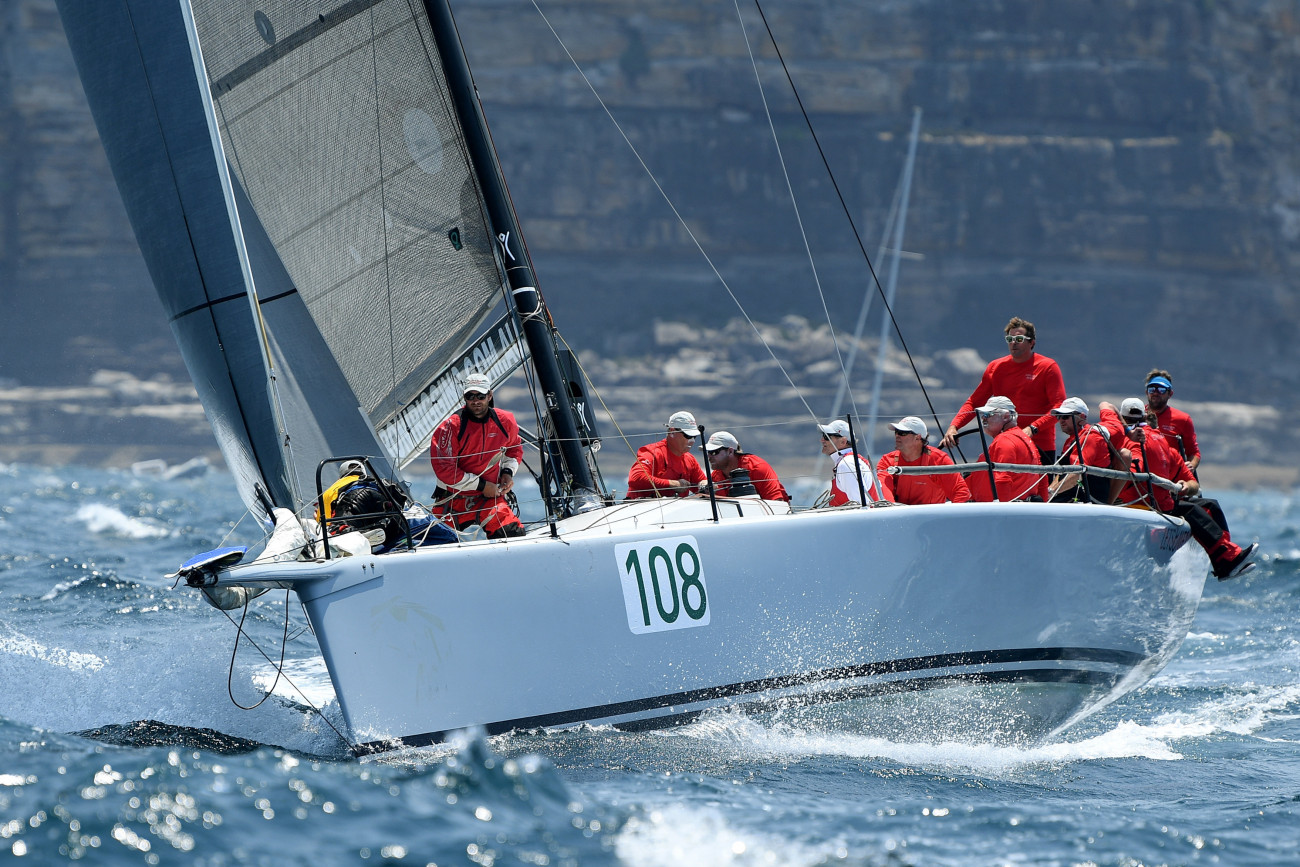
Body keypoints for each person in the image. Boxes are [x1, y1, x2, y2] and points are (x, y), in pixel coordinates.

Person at [1117, 399, 1256, 580]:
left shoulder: (1164, 446)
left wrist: (1184, 486)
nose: (1151, 431)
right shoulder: (1138, 442)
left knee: (1211, 505)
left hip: (1161, 499)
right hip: (1144, 503)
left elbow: (1193, 484)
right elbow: (1136, 465)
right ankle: (1226, 557)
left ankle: (1225, 559)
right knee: (1193, 510)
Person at [940, 316, 1067, 465]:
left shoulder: (1048, 367)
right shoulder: (996, 367)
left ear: (1031, 342)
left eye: (1019, 339)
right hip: (1005, 445)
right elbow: (974, 401)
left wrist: (1032, 429)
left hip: (1040, 445)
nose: (1013, 343)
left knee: (1039, 488)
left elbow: (1059, 406)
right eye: (1010, 339)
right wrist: (954, 427)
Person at [429, 372, 525, 538]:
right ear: (464, 398)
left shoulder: (505, 421)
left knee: (512, 534)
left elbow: (514, 449)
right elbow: (445, 471)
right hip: (453, 501)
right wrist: (483, 486)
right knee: (436, 542)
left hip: (489, 499)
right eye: (470, 396)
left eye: (480, 395)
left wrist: (507, 473)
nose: (475, 401)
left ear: (489, 395)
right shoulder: (450, 427)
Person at [963, 396, 1050, 503]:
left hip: (995, 511)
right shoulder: (1025, 439)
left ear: (1006, 416)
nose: (983, 419)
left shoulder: (1004, 440)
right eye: (982, 415)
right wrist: (1044, 507)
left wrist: (1002, 511)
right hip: (1012, 509)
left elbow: (1003, 479)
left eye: (988, 414)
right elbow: (1042, 476)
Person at [1047, 397, 1130, 504]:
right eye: (1059, 416)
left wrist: (1051, 493)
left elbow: (1077, 474)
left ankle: (1109, 504)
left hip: (1088, 498)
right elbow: (1108, 405)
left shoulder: (1089, 438)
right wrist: (1129, 431)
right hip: (1072, 493)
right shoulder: (1071, 440)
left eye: (1066, 416)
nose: (1061, 421)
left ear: (1082, 417)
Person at [875, 416, 971, 505]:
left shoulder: (939, 460)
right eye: (896, 432)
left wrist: (949, 520)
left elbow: (961, 492)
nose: (897, 436)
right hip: (900, 518)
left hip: (932, 520)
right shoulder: (886, 461)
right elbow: (883, 493)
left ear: (918, 437)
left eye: (902, 433)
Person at [626, 411, 707, 499]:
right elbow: (635, 478)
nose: (692, 441)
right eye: (688, 436)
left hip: (674, 510)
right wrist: (672, 484)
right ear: (672, 432)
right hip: (643, 508)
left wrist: (705, 484)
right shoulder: (652, 452)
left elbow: (702, 484)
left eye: (694, 437)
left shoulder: (690, 460)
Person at [703, 431, 790, 501]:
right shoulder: (715, 476)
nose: (709, 457)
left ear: (730, 451)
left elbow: (777, 502)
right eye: (708, 452)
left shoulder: (758, 468)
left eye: (714, 452)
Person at [1144, 370, 1200, 472]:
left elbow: (1193, 452)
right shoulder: (1136, 414)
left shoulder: (1183, 419)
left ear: (1170, 394)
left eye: (1161, 390)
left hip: (1168, 476)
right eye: (1152, 389)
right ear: (1146, 392)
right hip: (1140, 473)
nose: (1156, 393)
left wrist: (1191, 465)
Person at [818, 419, 880, 505]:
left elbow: (861, 506)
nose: (822, 440)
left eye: (826, 437)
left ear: (843, 442)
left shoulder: (847, 464)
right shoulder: (850, 461)